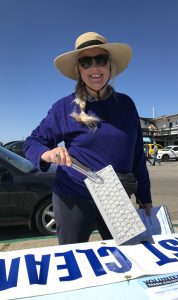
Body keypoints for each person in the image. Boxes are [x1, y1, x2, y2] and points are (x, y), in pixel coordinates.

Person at [24, 32, 152, 245]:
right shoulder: (63, 107)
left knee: (130, 256)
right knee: (73, 256)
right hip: (72, 195)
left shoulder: (127, 104)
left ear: (110, 66)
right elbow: (32, 142)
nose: (95, 68)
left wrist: (144, 195)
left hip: (116, 197)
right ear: (79, 70)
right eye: (86, 62)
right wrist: (47, 153)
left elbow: (138, 154)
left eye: (101, 60)